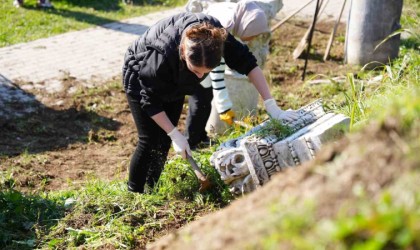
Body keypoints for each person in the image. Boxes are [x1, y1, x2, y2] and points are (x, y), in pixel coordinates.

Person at [122, 12, 298, 193]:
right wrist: (175, 133)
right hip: (139, 76)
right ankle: (135, 191)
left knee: (163, 142)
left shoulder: (217, 37)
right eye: (196, 71)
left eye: (206, 72)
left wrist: (271, 105)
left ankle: (151, 188)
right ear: (183, 51)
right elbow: (149, 100)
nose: (200, 76)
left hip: (175, 80)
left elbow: (250, 64)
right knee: (150, 139)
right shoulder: (161, 56)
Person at [184, 0, 273, 149]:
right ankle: (190, 140)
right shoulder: (217, 27)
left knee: (207, 99)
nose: (250, 40)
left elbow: (219, 66)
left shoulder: (238, 19)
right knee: (199, 103)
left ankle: (201, 136)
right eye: (251, 36)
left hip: (206, 63)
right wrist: (224, 105)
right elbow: (216, 70)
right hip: (193, 62)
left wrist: (224, 107)